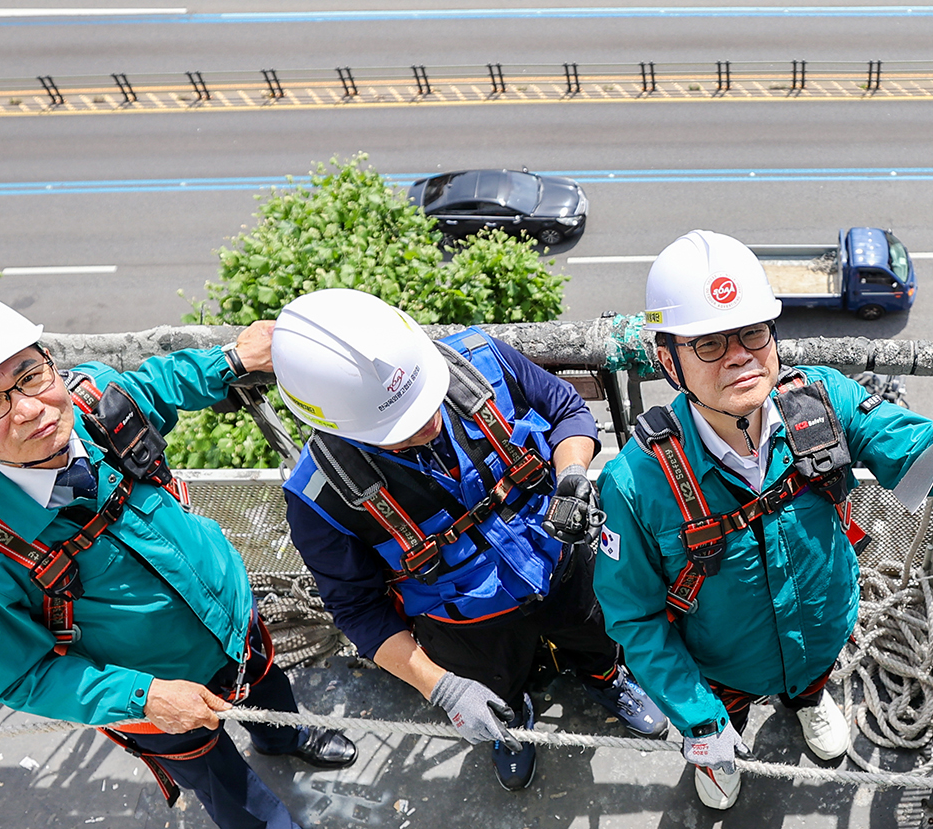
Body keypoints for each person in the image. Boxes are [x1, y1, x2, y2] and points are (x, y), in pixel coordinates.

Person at [0, 289, 355, 829]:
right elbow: (18, 676)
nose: (30, 410)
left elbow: (155, 384)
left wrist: (229, 362)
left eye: (29, 375)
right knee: (224, 787)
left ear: (49, 360)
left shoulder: (90, 407)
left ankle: (286, 738)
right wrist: (147, 699)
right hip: (155, 689)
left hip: (229, 616)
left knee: (269, 688)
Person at [594, 232, 933, 809]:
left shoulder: (820, 403)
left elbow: (910, 454)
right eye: (709, 345)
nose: (739, 354)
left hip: (820, 631)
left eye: (751, 333)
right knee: (723, 716)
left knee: (810, 680)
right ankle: (721, 743)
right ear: (669, 361)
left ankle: (810, 701)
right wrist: (698, 720)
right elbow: (634, 615)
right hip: (722, 665)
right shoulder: (637, 482)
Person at [274, 289, 666, 794]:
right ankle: (509, 722)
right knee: (492, 685)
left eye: (427, 401)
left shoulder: (477, 361)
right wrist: (443, 688)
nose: (428, 423)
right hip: (463, 619)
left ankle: (605, 676)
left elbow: (567, 410)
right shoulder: (321, 497)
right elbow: (358, 611)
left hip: (558, 556)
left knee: (593, 632)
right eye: (402, 428)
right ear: (342, 427)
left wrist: (571, 475)